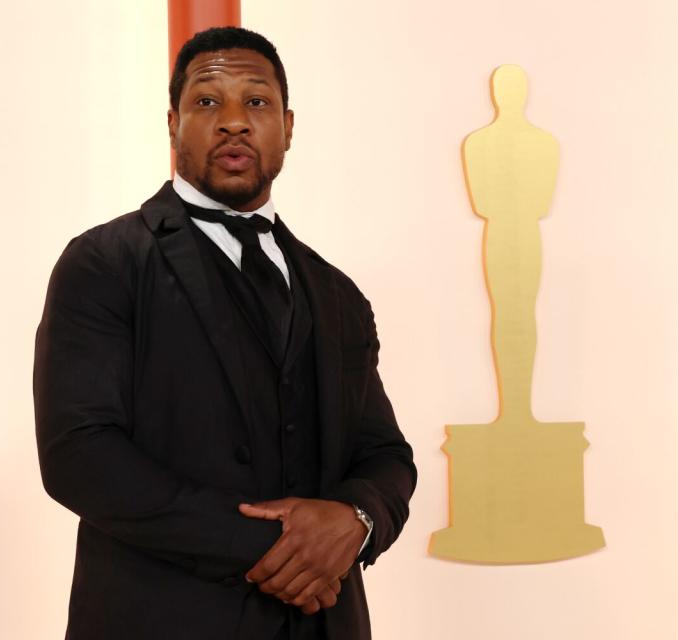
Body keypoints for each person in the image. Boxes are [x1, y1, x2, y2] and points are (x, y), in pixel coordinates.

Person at [33, 26, 416, 640]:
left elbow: (385, 455)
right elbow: (78, 455)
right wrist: (284, 549)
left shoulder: (338, 293)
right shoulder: (103, 263)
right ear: (172, 123)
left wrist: (358, 519)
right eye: (207, 101)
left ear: (288, 127)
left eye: (257, 102)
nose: (234, 121)